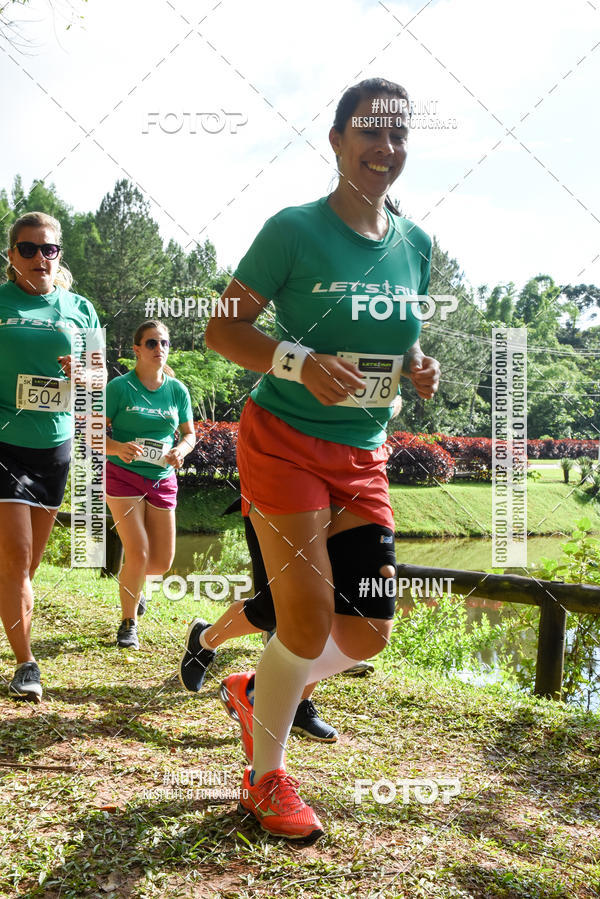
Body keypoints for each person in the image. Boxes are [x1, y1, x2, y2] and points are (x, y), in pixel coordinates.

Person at [205, 77, 440, 843]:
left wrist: (415, 362)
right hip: (284, 440)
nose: (386, 148)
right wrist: (297, 359)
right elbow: (223, 328)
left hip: (360, 452)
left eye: (399, 134)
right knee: (303, 622)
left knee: (369, 626)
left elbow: (397, 328)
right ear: (336, 140)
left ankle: (255, 688)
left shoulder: (416, 244)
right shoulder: (294, 230)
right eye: (369, 132)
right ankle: (263, 780)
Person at [0, 211, 102, 702]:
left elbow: (102, 378)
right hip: (3, 444)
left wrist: (83, 375)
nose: (40, 258)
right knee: (17, 557)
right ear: (11, 254)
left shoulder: (80, 309)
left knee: (26, 566)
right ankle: (26, 664)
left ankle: (11, 616)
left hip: (54, 448)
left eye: (49, 249)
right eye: (28, 248)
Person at [179, 507, 340, 744]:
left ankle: (298, 705)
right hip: (270, 497)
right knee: (270, 608)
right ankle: (204, 639)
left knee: (324, 604)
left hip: (328, 504)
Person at [105, 320, 195, 650]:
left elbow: (189, 433)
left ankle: (135, 589)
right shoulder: (119, 387)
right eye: (152, 343)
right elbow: (93, 434)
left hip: (161, 478)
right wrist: (117, 448)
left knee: (161, 562)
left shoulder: (177, 390)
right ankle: (128, 624)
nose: (160, 349)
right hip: (122, 476)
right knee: (138, 552)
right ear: (137, 349)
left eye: (165, 343)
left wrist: (181, 450)